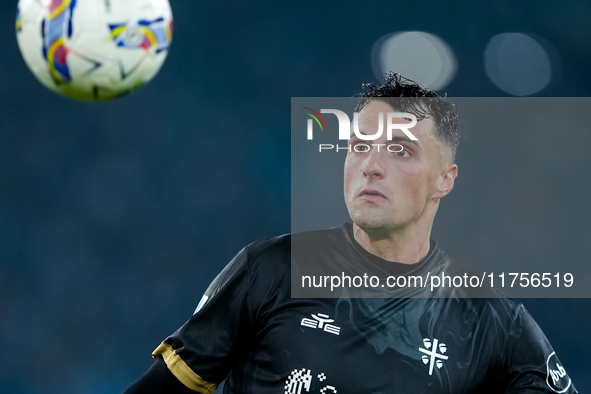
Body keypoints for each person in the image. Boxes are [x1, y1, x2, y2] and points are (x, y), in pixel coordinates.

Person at [125, 73, 577, 394]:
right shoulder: (270, 271)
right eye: (359, 146)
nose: (371, 165)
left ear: (445, 178)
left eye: (400, 150)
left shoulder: (493, 323)